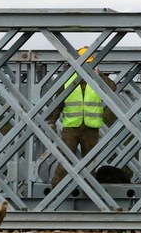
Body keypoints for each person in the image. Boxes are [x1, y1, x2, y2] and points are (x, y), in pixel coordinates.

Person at [47, 46, 116, 187]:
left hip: (90, 128)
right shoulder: (68, 79)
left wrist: (100, 76)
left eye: (89, 63)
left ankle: (88, 191)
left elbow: (112, 88)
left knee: (90, 163)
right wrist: (51, 122)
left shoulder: (97, 78)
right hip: (71, 127)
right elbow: (59, 102)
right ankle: (56, 189)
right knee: (65, 159)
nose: (86, 66)